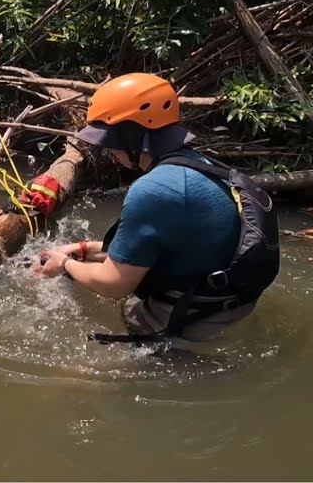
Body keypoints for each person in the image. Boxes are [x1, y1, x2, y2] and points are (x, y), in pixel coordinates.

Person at [35, 72, 280, 346]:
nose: (108, 150)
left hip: (189, 327)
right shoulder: (201, 166)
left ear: (132, 134)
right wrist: (81, 249)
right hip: (227, 306)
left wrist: (64, 264)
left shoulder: (154, 190)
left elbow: (113, 285)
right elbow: (159, 246)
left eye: (110, 140)